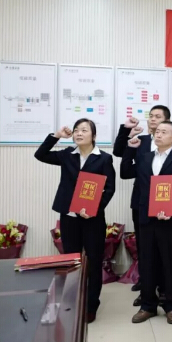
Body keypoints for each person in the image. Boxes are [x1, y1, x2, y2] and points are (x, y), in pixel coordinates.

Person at [34, 119, 116, 324]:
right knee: (71, 262)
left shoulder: (104, 159)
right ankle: (71, 302)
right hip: (69, 217)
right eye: (77, 130)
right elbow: (40, 155)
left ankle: (91, 305)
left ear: (94, 136)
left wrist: (94, 209)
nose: (79, 133)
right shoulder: (67, 155)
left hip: (92, 219)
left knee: (94, 261)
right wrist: (56, 136)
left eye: (84, 130)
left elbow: (109, 189)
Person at [122, 122, 172, 325]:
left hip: (169, 220)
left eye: (164, 132)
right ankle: (148, 306)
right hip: (146, 218)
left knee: (169, 262)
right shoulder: (145, 157)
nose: (158, 134)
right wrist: (130, 149)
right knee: (147, 262)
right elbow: (125, 171)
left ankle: (171, 306)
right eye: (157, 131)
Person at [113, 105, 172, 306]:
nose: (153, 120)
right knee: (145, 247)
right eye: (151, 116)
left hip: (167, 206)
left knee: (166, 250)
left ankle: (166, 290)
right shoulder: (140, 141)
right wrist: (126, 132)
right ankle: (146, 286)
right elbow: (119, 152)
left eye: (158, 117)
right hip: (141, 202)